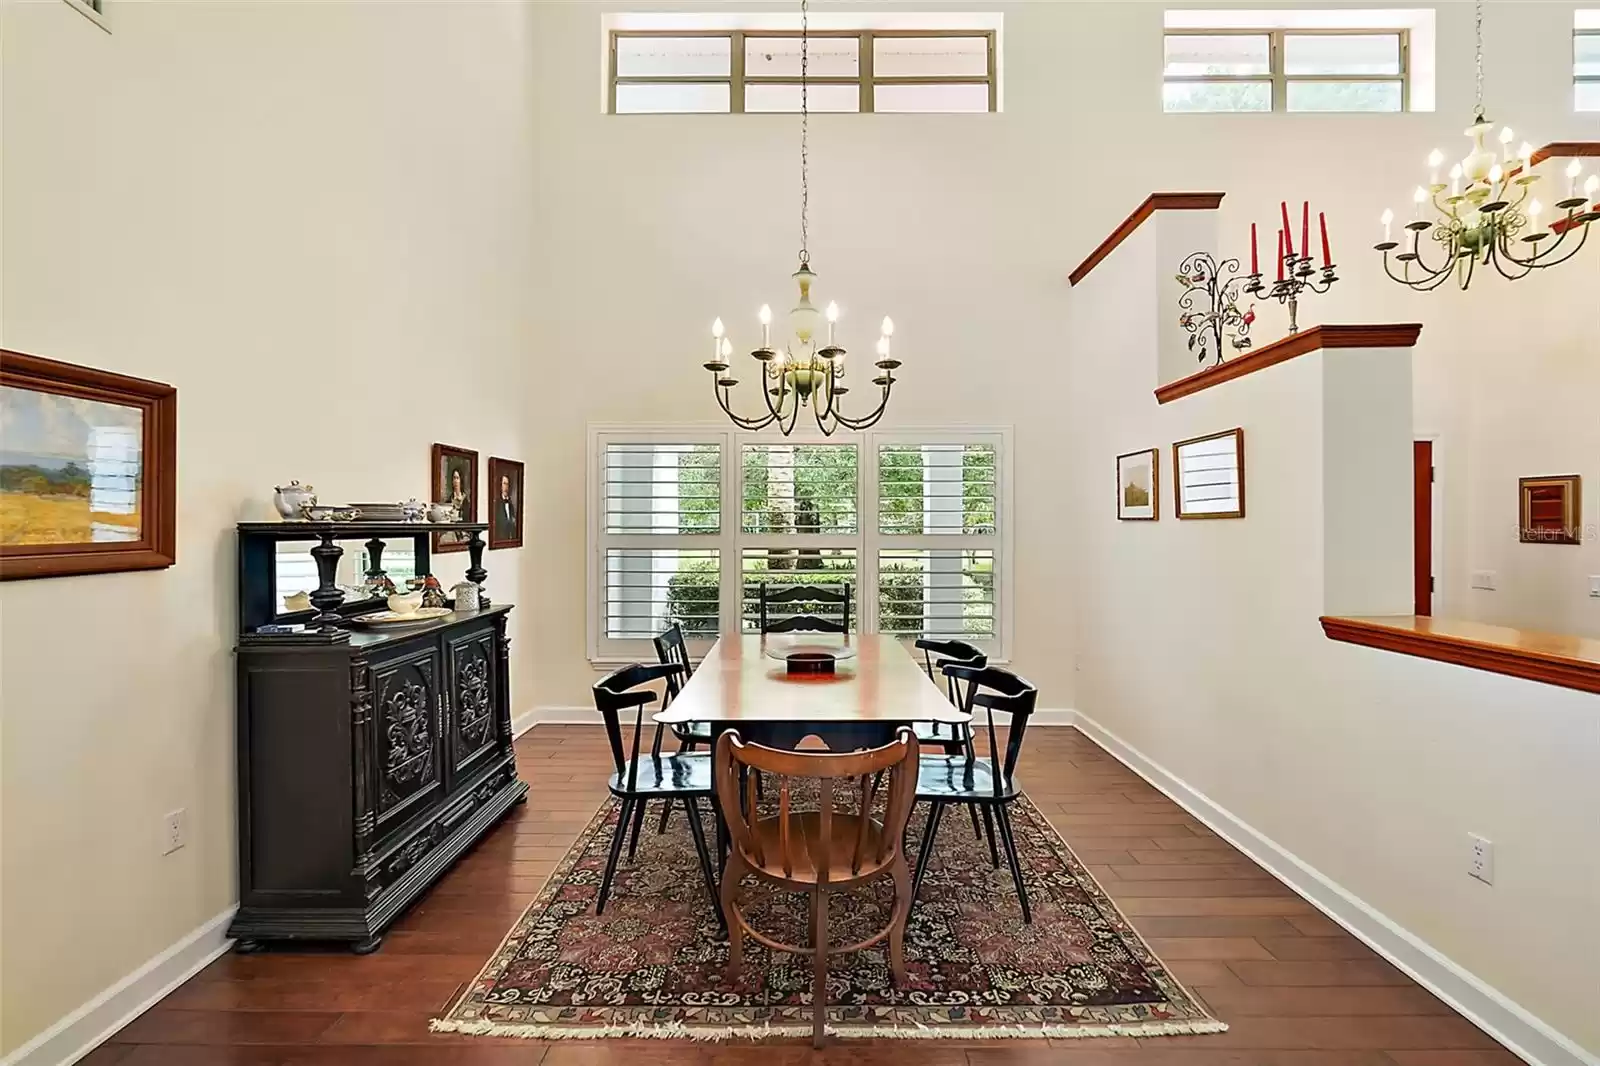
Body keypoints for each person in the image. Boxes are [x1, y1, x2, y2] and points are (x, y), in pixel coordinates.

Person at [493, 473, 516, 542]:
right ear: (500, 486)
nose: (506, 487)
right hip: (500, 540)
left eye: (507, 484)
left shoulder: (511, 504)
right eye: (504, 484)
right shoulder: (496, 503)